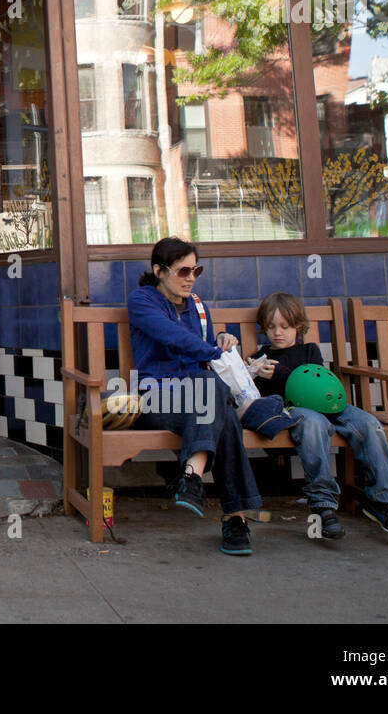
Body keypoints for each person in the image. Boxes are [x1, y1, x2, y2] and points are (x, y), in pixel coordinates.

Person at [127, 237, 264, 555]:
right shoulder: (142, 301)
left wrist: (220, 339)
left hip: (200, 397)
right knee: (216, 397)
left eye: (196, 270)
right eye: (183, 270)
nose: (191, 277)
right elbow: (171, 336)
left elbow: (203, 356)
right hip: (158, 397)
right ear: (159, 271)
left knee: (216, 397)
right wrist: (214, 350)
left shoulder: (198, 307)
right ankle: (234, 519)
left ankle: (193, 477)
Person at [251, 292, 388, 540]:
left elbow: (317, 382)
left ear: (299, 327)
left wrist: (282, 373)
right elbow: (264, 396)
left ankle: (383, 501)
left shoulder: (310, 351)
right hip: (293, 408)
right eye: (271, 327)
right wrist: (254, 372)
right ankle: (322, 503)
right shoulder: (261, 357)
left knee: (368, 423)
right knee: (314, 424)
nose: (277, 333)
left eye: (284, 326)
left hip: (328, 404)